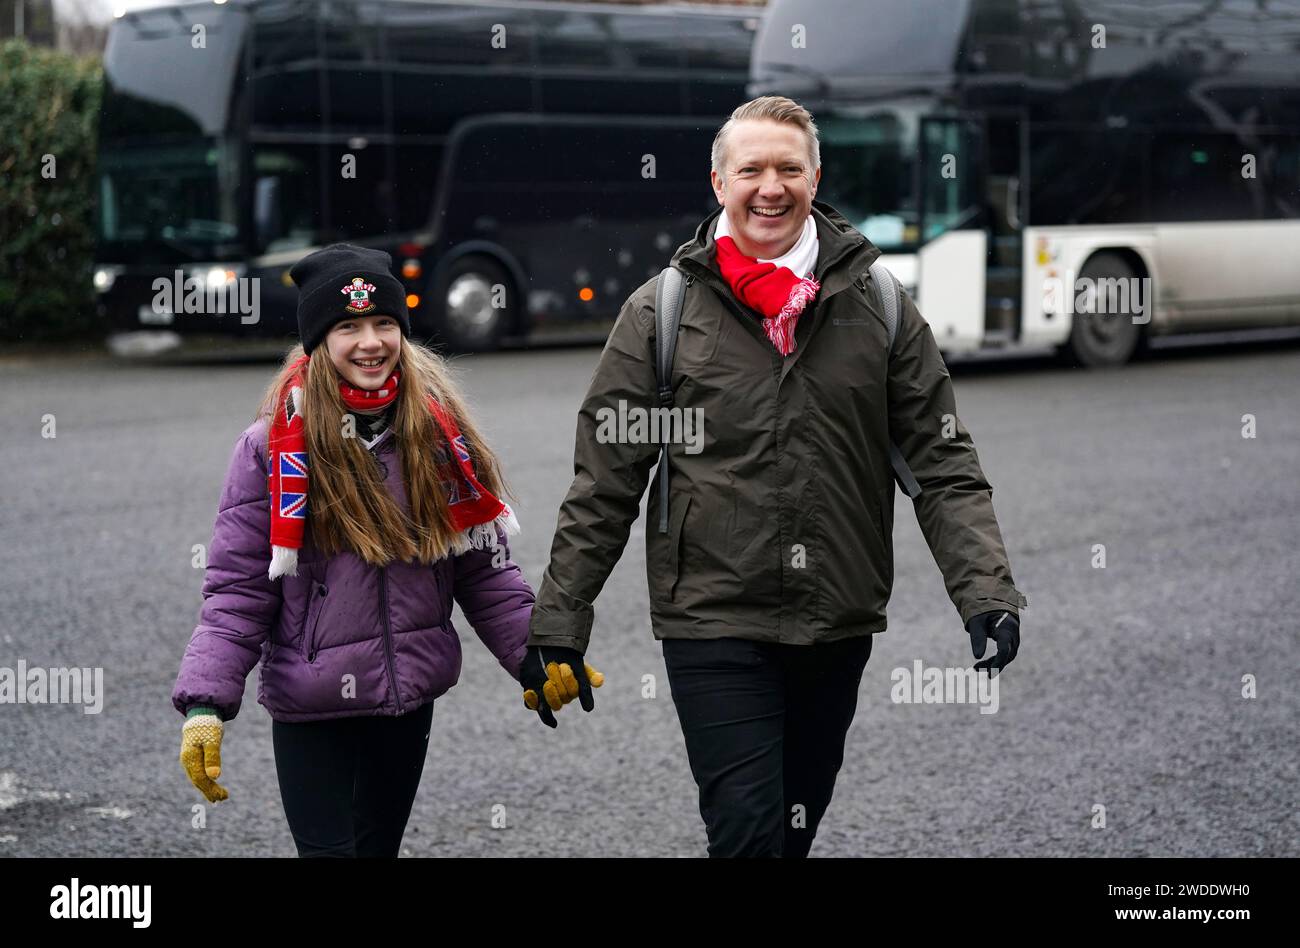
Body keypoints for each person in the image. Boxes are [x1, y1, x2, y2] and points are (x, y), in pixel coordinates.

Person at [520, 97, 1028, 857]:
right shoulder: (662, 313)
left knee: (794, 823)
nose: (771, 187)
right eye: (751, 169)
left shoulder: (879, 304)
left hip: (838, 613)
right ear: (718, 182)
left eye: (789, 168)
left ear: (814, 178)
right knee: (748, 833)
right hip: (713, 616)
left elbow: (942, 460)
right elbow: (606, 481)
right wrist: (559, 625)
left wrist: (985, 591)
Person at [171, 244, 535, 858]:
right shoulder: (269, 449)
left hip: (406, 699)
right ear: (318, 342)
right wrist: (205, 701)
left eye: (384, 323)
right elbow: (236, 592)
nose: (371, 342)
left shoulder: (438, 435)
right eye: (348, 327)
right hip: (313, 705)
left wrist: (535, 657)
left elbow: (484, 569)